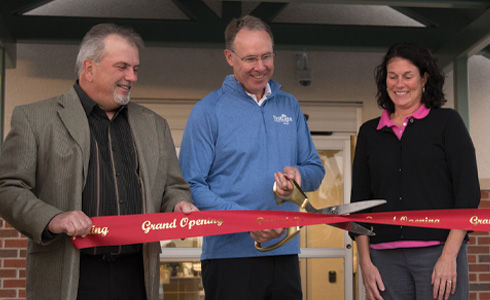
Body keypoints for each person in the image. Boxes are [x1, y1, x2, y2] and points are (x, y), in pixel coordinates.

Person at [0, 23, 198, 300]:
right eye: (122, 67)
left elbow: (172, 187)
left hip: (137, 275)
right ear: (89, 68)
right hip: (70, 275)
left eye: (135, 69)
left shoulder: (155, 125)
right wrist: (53, 218)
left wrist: (177, 203)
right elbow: (8, 187)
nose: (132, 76)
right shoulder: (34, 119)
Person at [178, 15, 325, 300]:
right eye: (250, 59)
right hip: (228, 258)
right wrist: (249, 222)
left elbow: (315, 169)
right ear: (229, 57)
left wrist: (298, 176)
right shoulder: (208, 111)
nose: (261, 67)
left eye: (267, 56)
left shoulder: (289, 105)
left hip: (285, 253)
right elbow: (191, 186)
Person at [350, 42, 480, 300]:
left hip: (439, 253)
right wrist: (365, 263)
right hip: (383, 259)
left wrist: (449, 256)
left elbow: (468, 194)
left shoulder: (447, 123)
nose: (400, 84)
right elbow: (359, 204)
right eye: (392, 76)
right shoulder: (369, 133)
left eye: (408, 76)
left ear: (424, 79)